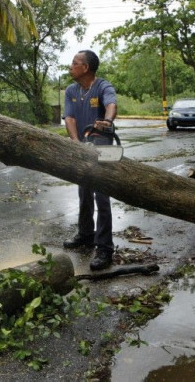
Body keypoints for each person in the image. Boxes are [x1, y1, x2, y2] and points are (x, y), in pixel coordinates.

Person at [62, 50, 118, 270]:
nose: (70, 66)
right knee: (83, 191)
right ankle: (86, 234)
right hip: (82, 146)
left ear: (85, 68)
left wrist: (106, 120)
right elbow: (69, 117)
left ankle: (104, 248)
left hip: (102, 146)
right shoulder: (71, 90)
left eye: (74, 63)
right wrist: (75, 142)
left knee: (101, 196)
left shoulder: (103, 86)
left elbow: (111, 104)